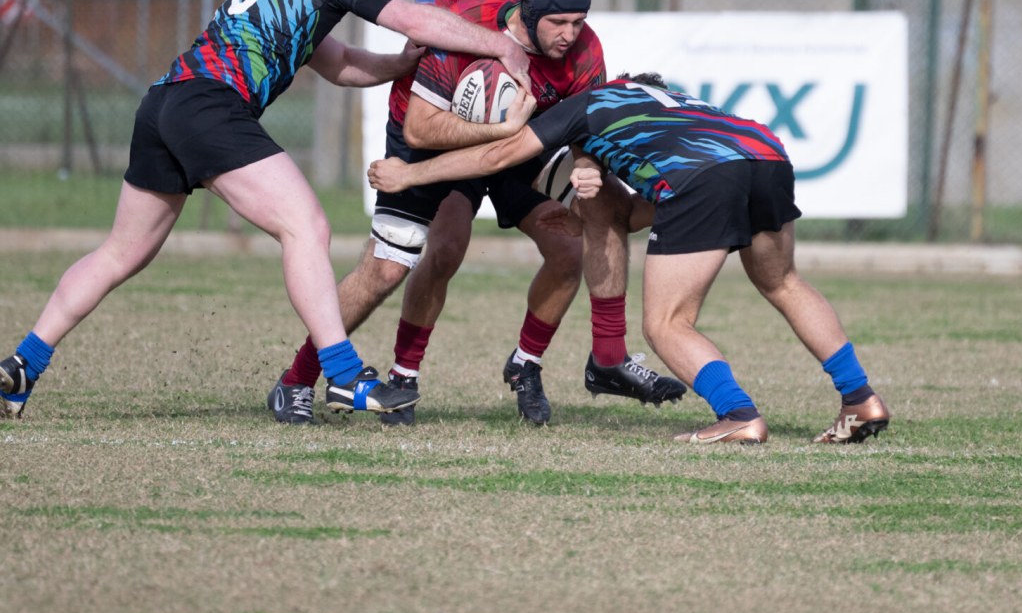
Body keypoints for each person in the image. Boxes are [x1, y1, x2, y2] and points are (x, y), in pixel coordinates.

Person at [0, 0, 530, 420]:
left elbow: (335, 63)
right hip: (211, 107)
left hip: (164, 103)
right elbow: (412, 18)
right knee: (307, 227)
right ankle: (344, 376)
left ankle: (24, 362)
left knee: (121, 252)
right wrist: (501, 44)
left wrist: (397, 66)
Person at [270, 0, 682, 427]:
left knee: (588, 222)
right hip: (438, 139)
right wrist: (500, 116)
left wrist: (585, 161)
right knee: (414, 260)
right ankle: (320, 378)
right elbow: (422, 123)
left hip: (525, 142)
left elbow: (579, 92)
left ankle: (560, 360)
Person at [368, 45, 891, 445]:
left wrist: (409, 176)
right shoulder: (679, 106)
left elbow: (495, 158)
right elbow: (652, 211)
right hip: (765, 154)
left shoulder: (588, 104)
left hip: (704, 176)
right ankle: (860, 399)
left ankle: (738, 416)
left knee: (666, 323)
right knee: (783, 283)